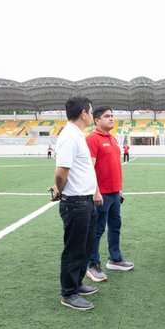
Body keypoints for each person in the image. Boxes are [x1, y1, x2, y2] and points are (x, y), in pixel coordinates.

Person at [50, 97, 101, 311]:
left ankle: (77, 283)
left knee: (85, 246)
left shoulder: (78, 135)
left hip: (86, 201)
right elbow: (62, 171)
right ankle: (68, 293)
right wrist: (59, 190)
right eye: (90, 111)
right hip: (76, 203)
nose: (92, 115)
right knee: (74, 249)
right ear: (83, 113)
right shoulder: (70, 136)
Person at [85, 106, 135, 283]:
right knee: (97, 230)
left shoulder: (113, 139)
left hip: (114, 194)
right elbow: (89, 168)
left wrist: (120, 189)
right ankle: (92, 265)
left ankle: (115, 259)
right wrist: (95, 191)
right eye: (107, 116)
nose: (112, 119)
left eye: (112, 116)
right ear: (97, 120)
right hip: (101, 194)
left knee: (115, 226)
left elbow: (115, 167)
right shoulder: (92, 139)